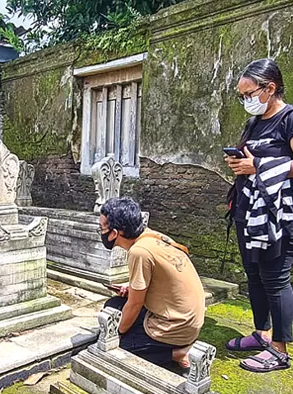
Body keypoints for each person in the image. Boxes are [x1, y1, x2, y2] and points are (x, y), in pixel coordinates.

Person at [224, 58, 293, 372]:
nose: (245, 101)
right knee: (253, 274)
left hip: (276, 215)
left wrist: (258, 167)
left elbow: (269, 165)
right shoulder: (254, 122)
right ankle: (262, 334)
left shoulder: (288, 118)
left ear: (271, 88)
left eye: (249, 93)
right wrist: (240, 164)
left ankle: (280, 350)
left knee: (276, 280)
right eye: (242, 96)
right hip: (247, 210)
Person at [99, 197, 205, 369]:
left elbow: (135, 303)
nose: (101, 232)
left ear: (115, 233)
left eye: (102, 228)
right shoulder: (153, 236)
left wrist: (115, 334)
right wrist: (130, 288)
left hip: (176, 325)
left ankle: (179, 354)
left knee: (120, 344)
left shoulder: (139, 251)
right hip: (189, 318)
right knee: (113, 305)